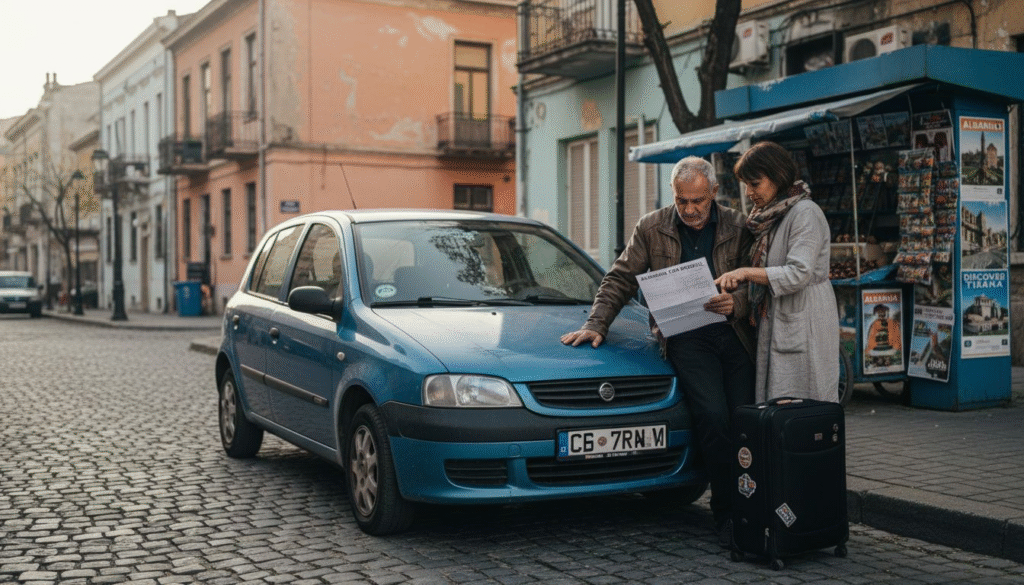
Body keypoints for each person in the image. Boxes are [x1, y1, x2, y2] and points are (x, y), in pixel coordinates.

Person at [561, 156, 756, 548]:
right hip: (686, 335)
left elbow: (758, 278)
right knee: (714, 417)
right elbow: (620, 277)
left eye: (698, 200)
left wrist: (738, 304)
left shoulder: (738, 225)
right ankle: (729, 516)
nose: (690, 210)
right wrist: (596, 323)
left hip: (733, 332)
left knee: (746, 420)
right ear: (673, 195)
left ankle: (754, 506)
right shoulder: (651, 227)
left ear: (714, 193)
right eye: (682, 201)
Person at [715, 141, 840, 403]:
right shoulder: (771, 215)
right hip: (779, 317)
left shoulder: (805, 213)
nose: (748, 192)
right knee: (779, 404)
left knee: (804, 401)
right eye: (746, 185)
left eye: (755, 184)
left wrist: (747, 273)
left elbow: (798, 273)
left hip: (805, 317)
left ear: (777, 177)